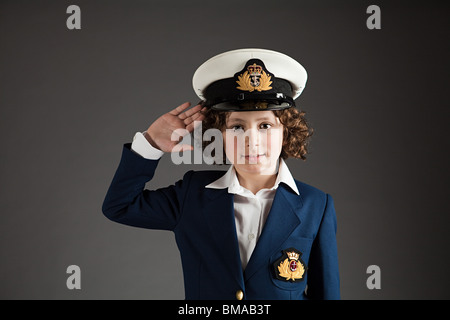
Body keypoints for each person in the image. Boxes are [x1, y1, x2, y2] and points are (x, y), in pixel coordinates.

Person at [102, 48, 340, 300]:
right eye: (237, 127)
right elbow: (120, 205)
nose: (252, 140)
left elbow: (326, 293)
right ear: (219, 135)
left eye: (265, 125)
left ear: (287, 131)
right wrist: (150, 144)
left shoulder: (316, 205)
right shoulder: (192, 194)